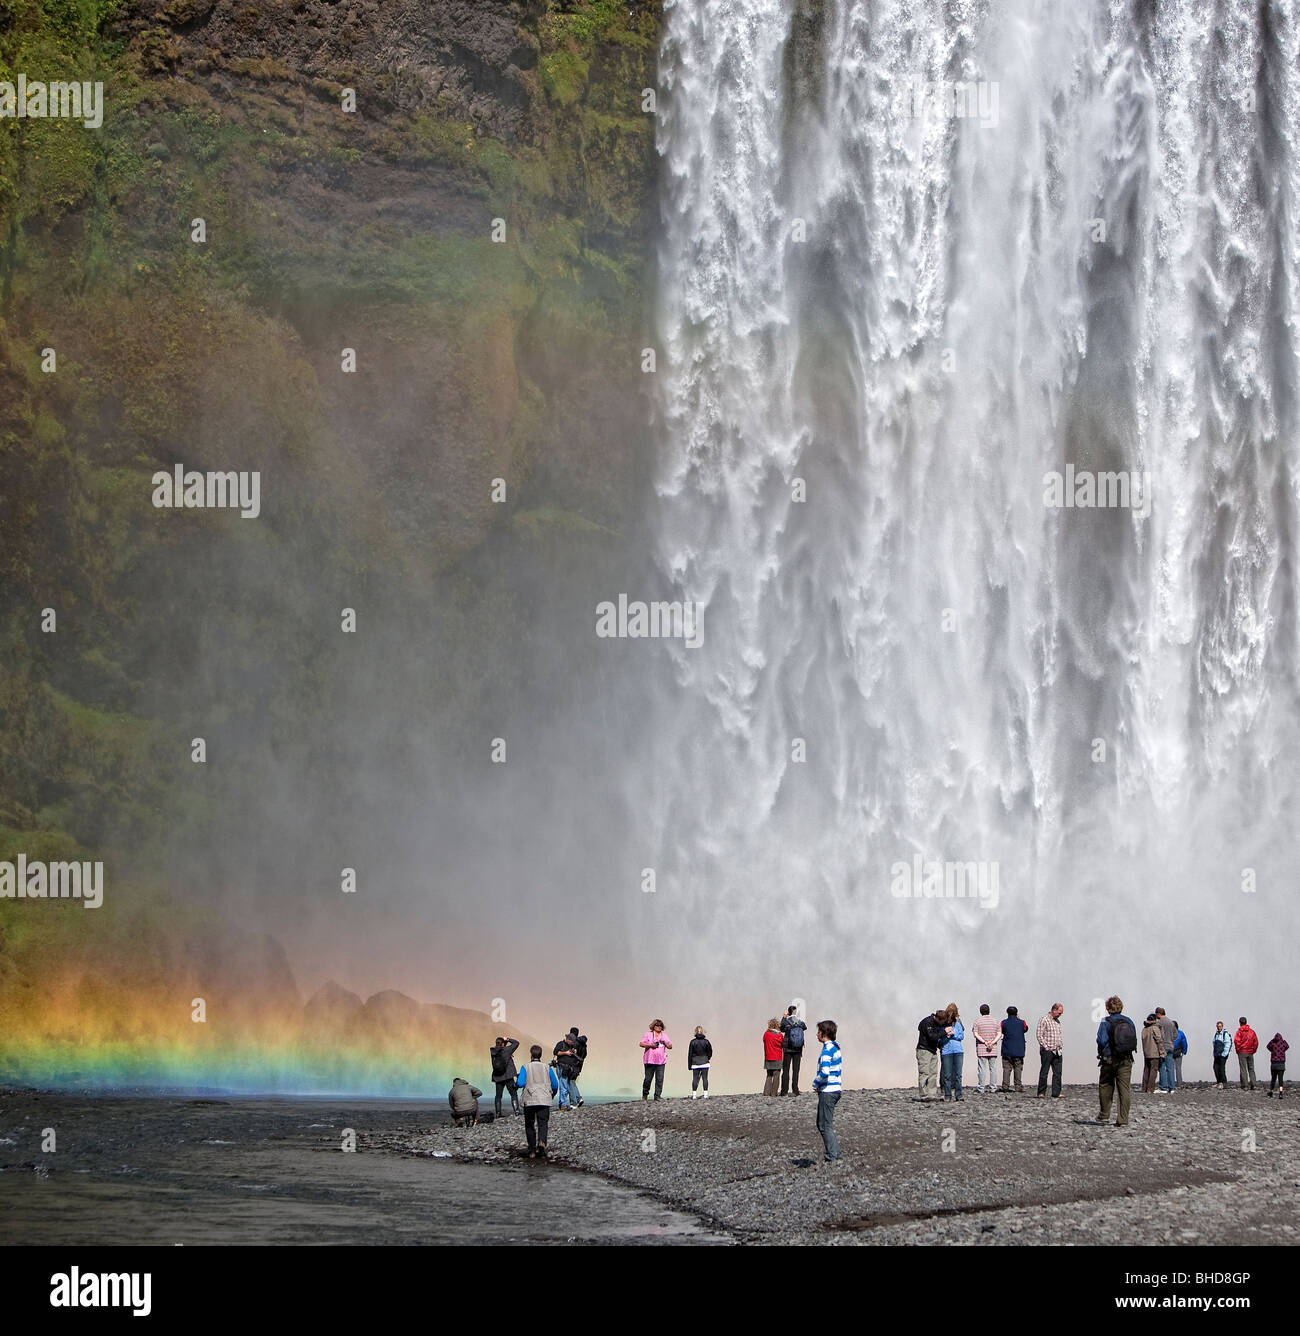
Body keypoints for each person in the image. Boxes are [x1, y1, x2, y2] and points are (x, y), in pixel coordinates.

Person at [1096, 995, 1137, 1127]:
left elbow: (1101, 1040)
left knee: (1106, 1085)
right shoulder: (1129, 1021)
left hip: (1109, 1059)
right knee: (1124, 1089)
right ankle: (1123, 1119)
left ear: (1108, 1008)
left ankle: (1104, 1115)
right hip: (1126, 1059)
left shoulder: (1105, 1022)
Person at [515, 1044, 558, 1158]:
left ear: (531, 1054)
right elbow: (555, 1084)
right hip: (544, 1099)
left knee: (530, 1124)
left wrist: (516, 1083)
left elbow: (520, 1083)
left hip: (530, 1099)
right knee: (542, 1123)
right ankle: (542, 1143)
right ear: (540, 1055)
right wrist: (552, 1094)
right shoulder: (546, 1067)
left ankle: (532, 1150)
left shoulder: (526, 1067)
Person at [811, 1020, 842, 1162]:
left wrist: (815, 1083)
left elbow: (824, 1071)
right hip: (835, 1089)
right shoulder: (836, 1048)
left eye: (819, 1031)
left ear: (824, 1034)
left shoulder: (827, 1051)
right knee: (824, 1123)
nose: (817, 1034)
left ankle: (832, 1154)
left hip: (828, 1090)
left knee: (824, 1124)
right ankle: (835, 1151)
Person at [916, 1009, 948, 1100]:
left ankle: (931, 1094)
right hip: (924, 1050)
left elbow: (935, 1037)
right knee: (924, 1072)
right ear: (939, 1019)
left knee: (933, 1073)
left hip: (933, 1050)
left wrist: (939, 1045)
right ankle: (923, 1095)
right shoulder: (927, 1022)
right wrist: (944, 1032)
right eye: (942, 1022)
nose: (942, 1024)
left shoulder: (936, 1023)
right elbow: (932, 1037)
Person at [1036, 1003, 1064, 1099]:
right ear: (1054, 1010)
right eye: (1059, 1013)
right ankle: (1041, 1092)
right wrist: (1046, 1047)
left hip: (1057, 1050)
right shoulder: (1044, 1020)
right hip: (1047, 1050)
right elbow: (1039, 1035)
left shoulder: (1057, 1022)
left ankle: (1056, 1092)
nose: (1060, 1015)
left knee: (1057, 1073)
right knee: (1044, 1071)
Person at [971, 1004, 1001, 1094]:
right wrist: (992, 1042)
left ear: (981, 1012)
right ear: (989, 1011)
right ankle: (993, 1087)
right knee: (993, 1068)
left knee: (982, 1069)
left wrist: (984, 1042)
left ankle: (981, 1088)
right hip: (993, 1048)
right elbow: (999, 1034)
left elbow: (975, 1034)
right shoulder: (995, 1021)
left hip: (981, 1048)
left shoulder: (977, 1021)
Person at [640, 1019, 672, 1100]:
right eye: (657, 1026)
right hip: (649, 1060)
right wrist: (651, 1045)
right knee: (648, 1079)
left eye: (660, 1026)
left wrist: (664, 1042)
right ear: (653, 1026)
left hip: (661, 1061)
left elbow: (670, 1046)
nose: (659, 1027)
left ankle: (657, 1096)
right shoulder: (648, 1034)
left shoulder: (664, 1035)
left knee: (660, 1079)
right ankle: (645, 1095)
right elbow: (641, 1043)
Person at [489, 1036, 521, 1118]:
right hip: (507, 1076)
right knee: (513, 1094)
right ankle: (517, 1111)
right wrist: (508, 1039)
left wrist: (504, 1042)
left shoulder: (493, 1051)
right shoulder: (506, 1050)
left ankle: (498, 1113)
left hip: (498, 1077)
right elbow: (516, 1043)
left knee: (498, 1096)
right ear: (503, 1043)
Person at [780, 1005, 807, 1096]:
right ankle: (795, 1090)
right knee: (796, 1070)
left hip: (788, 1048)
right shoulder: (800, 1022)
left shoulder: (786, 1021)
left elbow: (781, 1028)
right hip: (798, 1049)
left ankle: (784, 1091)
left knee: (786, 1069)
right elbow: (805, 1027)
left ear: (788, 1012)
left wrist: (784, 1017)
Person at [1000, 1006, 1028, 1092]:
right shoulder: (1022, 1022)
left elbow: (1002, 1031)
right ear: (1016, 1013)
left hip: (1007, 1048)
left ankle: (1005, 1086)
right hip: (1019, 1049)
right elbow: (1025, 1029)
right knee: (1018, 1067)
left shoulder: (1003, 1023)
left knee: (1006, 1068)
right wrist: (1018, 1019)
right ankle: (1018, 1086)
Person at [940, 1003, 965, 1101]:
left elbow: (961, 1036)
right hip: (947, 1051)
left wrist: (954, 1035)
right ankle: (948, 1095)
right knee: (947, 1075)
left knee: (958, 1074)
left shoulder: (957, 1024)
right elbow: (939, 1040)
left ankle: (958, 1094)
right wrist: (945, 1036)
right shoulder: (943, 1026)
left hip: (958, 1050)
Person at [1141, 1014, 1165, 1093]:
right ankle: (1150, 1089)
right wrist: (1162, 1052)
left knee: (1146, 1070)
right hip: (1154, 1052)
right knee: (1153, 1070)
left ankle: (1144, 1088)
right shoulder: (1155, 1028)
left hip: (1146, 1052)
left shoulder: (1144, 1029)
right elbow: (1159, 1040)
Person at [1155, 1008, 1177, 1093]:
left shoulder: (1160, 1023)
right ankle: (1172, 1087)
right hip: (1171, 1046)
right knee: (1170, 1067)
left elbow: (1160, 1036)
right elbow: (1176, 1034)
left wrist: (1161, 1044)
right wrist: (1171, 1041)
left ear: (1158, 1014)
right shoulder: (1171, 1022)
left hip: (1163, 1047)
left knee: (1162, 1067)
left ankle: (1163, 1087)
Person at [565, 1027, 588, 1107]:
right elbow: (584, 1055)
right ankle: (579, 1098)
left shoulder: (574, 1043)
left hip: (573, 1065)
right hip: (579, 1066)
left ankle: (573, 1103)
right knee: (572, 1082)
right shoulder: (584, 1045)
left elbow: (571, 1054)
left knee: (570, 1082)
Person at [1234, 1017, 1259, 1090]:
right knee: (1251, 1068)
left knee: (1243, 1069)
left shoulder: (1239, 1032)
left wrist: (1238, 1050)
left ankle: (1245, 1085)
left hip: (1242, 1052)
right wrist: (1253, 1050)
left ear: (1240, 1022)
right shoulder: (1252, 1032)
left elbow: (1236, 1041)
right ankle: (1253, 1084)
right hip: (1250, 1052)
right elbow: (1256, 1042)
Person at [688, 1025, 712, 1098]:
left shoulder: (692, 1042)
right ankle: (705, 1095)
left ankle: (694, 1095)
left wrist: (689, 1065)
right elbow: (710, 1052)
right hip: (705, 1062)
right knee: (705, 1078)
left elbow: (690, 1054)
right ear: (703, 1032)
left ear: (695, 1032)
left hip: (695, 1063)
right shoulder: (706, 1041)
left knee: (695, 1078)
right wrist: (707, 1058)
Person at [762, 1017, 784, 1096]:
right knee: (776, 1076)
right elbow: (782, 1045)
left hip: (768, 1057)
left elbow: (764, 1041)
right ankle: (774, 1093)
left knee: (769, 1075)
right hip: (777, 1057)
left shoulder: (766, 1034)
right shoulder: (779, 1035)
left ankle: (766, 1092)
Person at [1266, 1032, 1288, 1097]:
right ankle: (1280, 1092)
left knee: (1273, 1079)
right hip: (1281, 1063)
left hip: (1274, 1063)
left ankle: (1271, 1091)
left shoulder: (1272, 1042)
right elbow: (1287, 1047)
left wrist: (1272, 1051)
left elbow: (1268, 1046)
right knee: (1280, 1080)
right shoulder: (1283, 1042)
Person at [1212, 1021, 1232, 1089]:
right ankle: (1219, 1082)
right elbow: (1214, 1043)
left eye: (1220, 1026)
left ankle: (1224, 1083)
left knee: (1221, 1069)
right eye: (1218, 1026)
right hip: (1217, 1054)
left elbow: (1227, 1044)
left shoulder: (1225, 1034)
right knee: (1215, 1068)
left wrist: (1224, 1054)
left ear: (1222, 1026)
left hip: (1222, 1055)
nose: (1219, 1027)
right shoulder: (1216, 1034)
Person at [1172, 1022, 1187, 1088]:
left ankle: (1171, 1082)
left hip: (1171, 1052)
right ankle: (1179, 1083)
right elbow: (1184, 1043)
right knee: (1178, 1068)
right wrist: (1184, 1051)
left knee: (1171, 1068)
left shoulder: (1170, 1034)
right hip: (1179, 1052)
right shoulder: (1181, 1033)